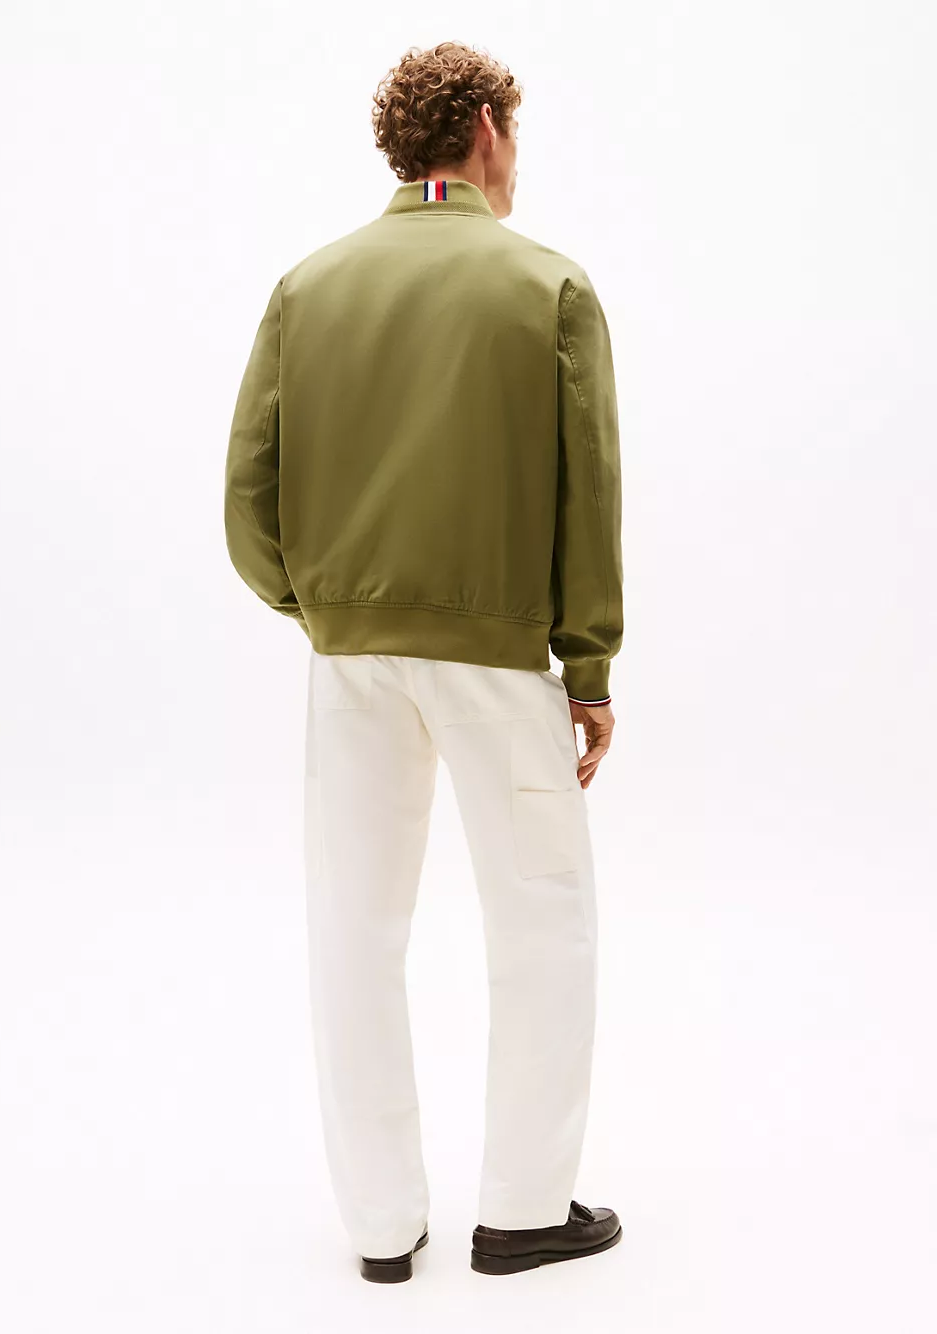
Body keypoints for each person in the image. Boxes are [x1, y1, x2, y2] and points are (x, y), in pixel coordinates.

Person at [223, 40, 624, 1283]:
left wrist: (323, 605)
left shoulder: (308, 288)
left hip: (350, 661)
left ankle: (381, 1229)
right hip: (498, 660)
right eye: (516, 136)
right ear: (488, 130)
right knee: (541, 922)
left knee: (354, 928)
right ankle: (523, 1209)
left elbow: (247, 495)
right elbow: (587, 497)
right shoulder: (547, 286)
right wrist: (588, 666)